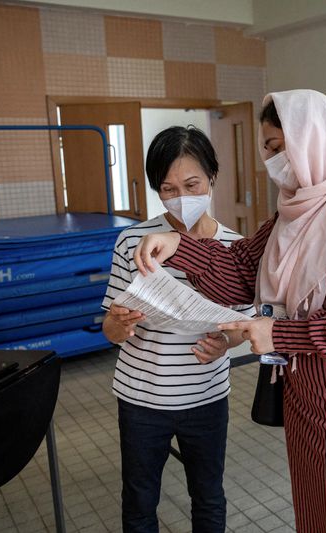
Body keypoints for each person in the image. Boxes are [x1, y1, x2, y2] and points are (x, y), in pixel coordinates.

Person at [132, 90, 326, 533]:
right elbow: (241, 270)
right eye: (266, 148)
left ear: (315, 139)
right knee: (315, 513)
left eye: (279, 147)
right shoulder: (295, 209)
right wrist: (178, 246)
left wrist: (279, 335)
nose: (272, 160)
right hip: (304, 389)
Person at [101, 126, 253, 533]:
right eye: (168, 189)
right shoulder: (132, 240)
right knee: (139, 500)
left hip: (206, 398)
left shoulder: (234, 248)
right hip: (140, 400)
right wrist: (117, 324)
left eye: (192, 184)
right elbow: (110, 333)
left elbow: (241, 325)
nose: (180, 198)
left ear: (212, 179)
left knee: (208, 496)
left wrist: (225, 342)